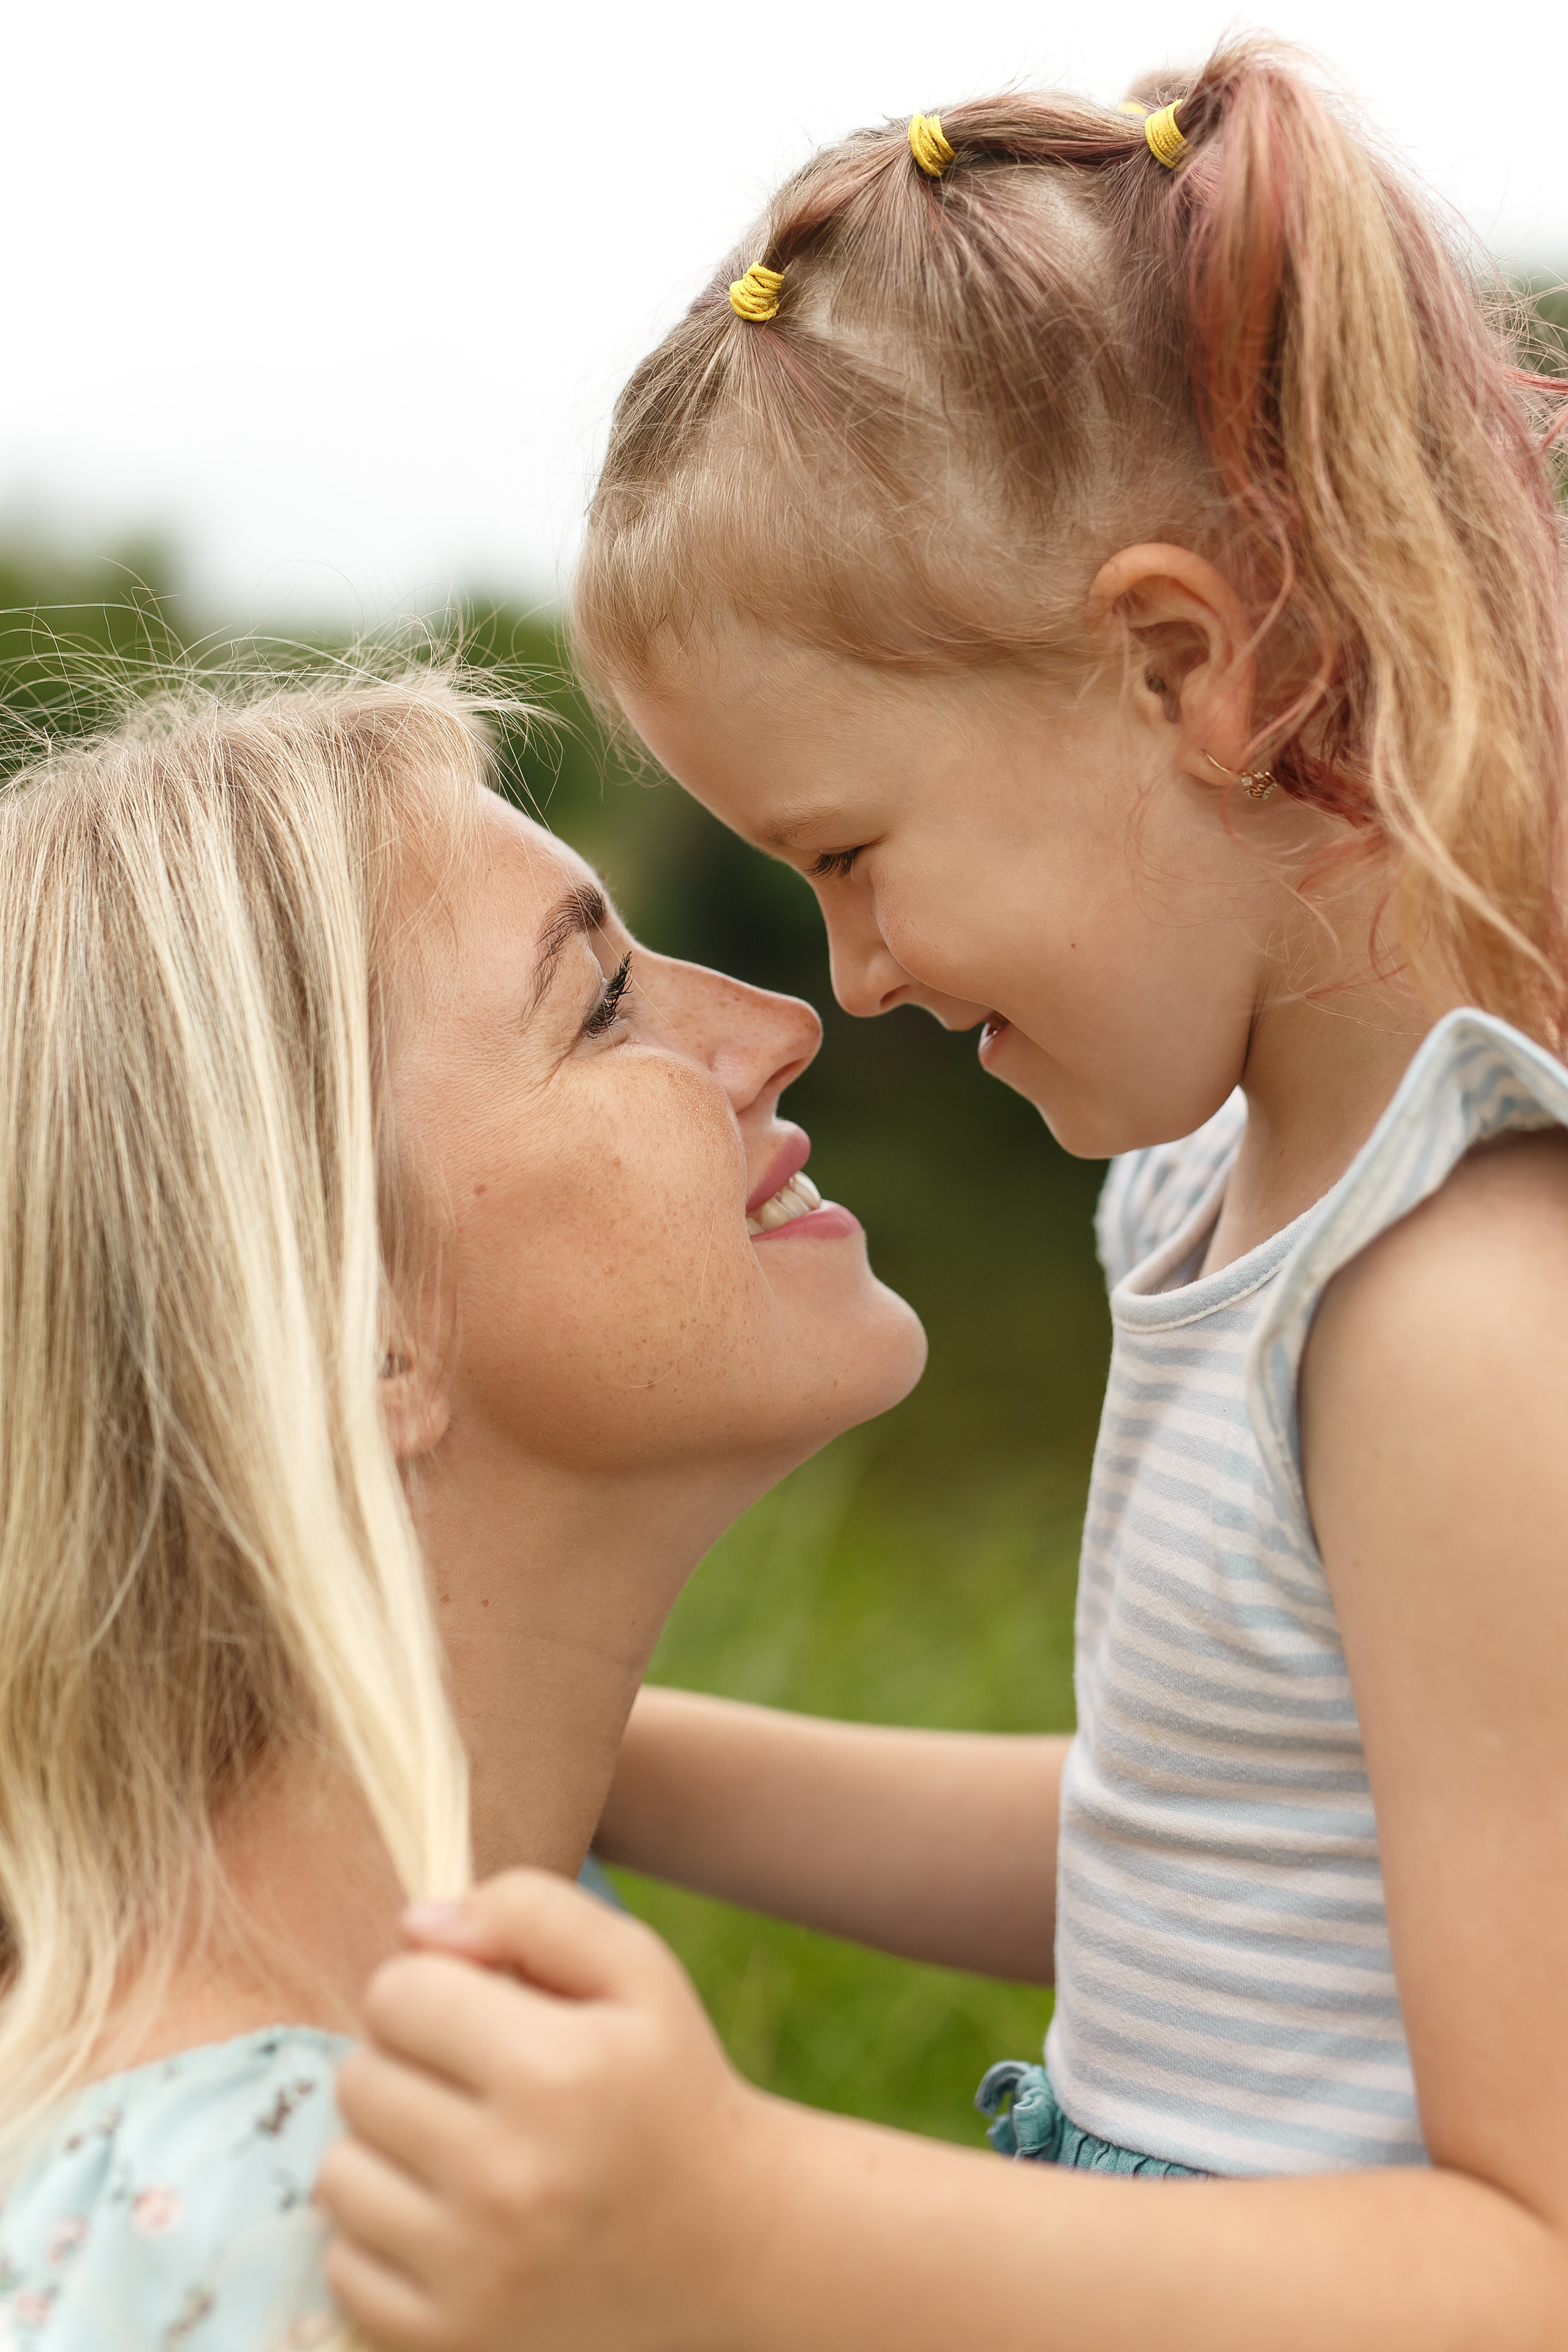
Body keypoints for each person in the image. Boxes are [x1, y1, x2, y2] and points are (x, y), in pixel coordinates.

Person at [315, 37, 1568, 2352]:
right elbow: (1195, 1861)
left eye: (854, 858)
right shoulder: (1214, 1199)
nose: (854, 985)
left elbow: (1530, 2259)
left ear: (1180, 667)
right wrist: (618, 1763)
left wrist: (748, 2220)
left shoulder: (1457, 1305)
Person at [0, 669, 925, 2348]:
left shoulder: (490, 1971)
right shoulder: (300, 2241)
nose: (779, 1028)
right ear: (351, 1325)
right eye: (601, 1008)